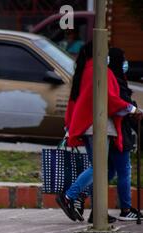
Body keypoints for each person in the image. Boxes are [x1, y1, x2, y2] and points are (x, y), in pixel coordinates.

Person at [57, 42, 141, 223]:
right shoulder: (99, 71)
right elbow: (111, 99)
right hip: (98, 126)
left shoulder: (87, 70)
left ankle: (97, 210)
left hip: (89, 125)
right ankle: (69, 196)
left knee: (103, 169)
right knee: (100, 168)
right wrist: (132, 110)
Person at [106, 47, 142, 221]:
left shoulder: (113, 77)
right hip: (119, 132)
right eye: (123, 60)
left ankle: (80, 197)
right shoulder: (116, 80)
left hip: (114, 132)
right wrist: (134, 109)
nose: (125, 63)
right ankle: (126, 209)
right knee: (124, 171)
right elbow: (122, 105)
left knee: (109, 171)